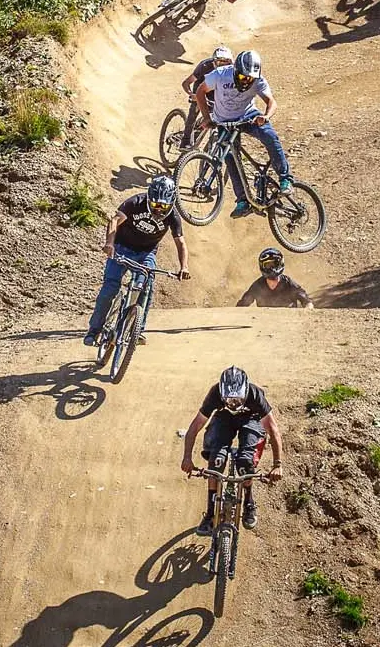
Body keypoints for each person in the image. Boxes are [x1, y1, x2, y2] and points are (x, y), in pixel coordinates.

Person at [85, 175, 191, 348]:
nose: (158, 210)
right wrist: (110, 244)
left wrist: (184, 267)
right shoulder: (135, 203)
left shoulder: (173, 216)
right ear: (149, 198)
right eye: (156, 204)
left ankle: (137, 330)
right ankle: (94, 331)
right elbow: (114, 221)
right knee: (109, 289)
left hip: (146, 253)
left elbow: (181, 243)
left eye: (163, 206)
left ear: (171, 204)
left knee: (146, 288)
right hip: (121, 248)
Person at [181, 366, 283, 534]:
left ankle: (249, 502)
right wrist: (186, 458)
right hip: (224, 418)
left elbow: (273, 429)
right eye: (229, 400)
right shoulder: (214, 393)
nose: (234, 404)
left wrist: (278, 464)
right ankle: (210, 512)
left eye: (238, 400)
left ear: (245, 392)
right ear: (221, 393)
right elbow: (195, 427)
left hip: (252, 419)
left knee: (245, 462)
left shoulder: (255, 394)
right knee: (216, 462)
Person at [192, 49, 293, 216]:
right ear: (235, 70)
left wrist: (265, 116)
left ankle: (285, 179)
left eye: (250, 79)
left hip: (248, 116)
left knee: (269, 136)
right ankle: (243, 201)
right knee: (230, 158)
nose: (246, 81)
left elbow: (271, 102)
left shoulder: (258, 80)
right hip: (224, 121)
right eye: (242, 77)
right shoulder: (219, 74)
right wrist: (206, 117)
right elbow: (200, 91)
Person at [236, 248, 313, 308]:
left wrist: (308, 309)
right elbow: (242, 305)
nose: (272, 268)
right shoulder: (257, 286)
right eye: (268, 265)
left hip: (289, 324)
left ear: (280, 264)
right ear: (262, 266)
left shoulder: (288, 283)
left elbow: (306, 301)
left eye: (275, 264)